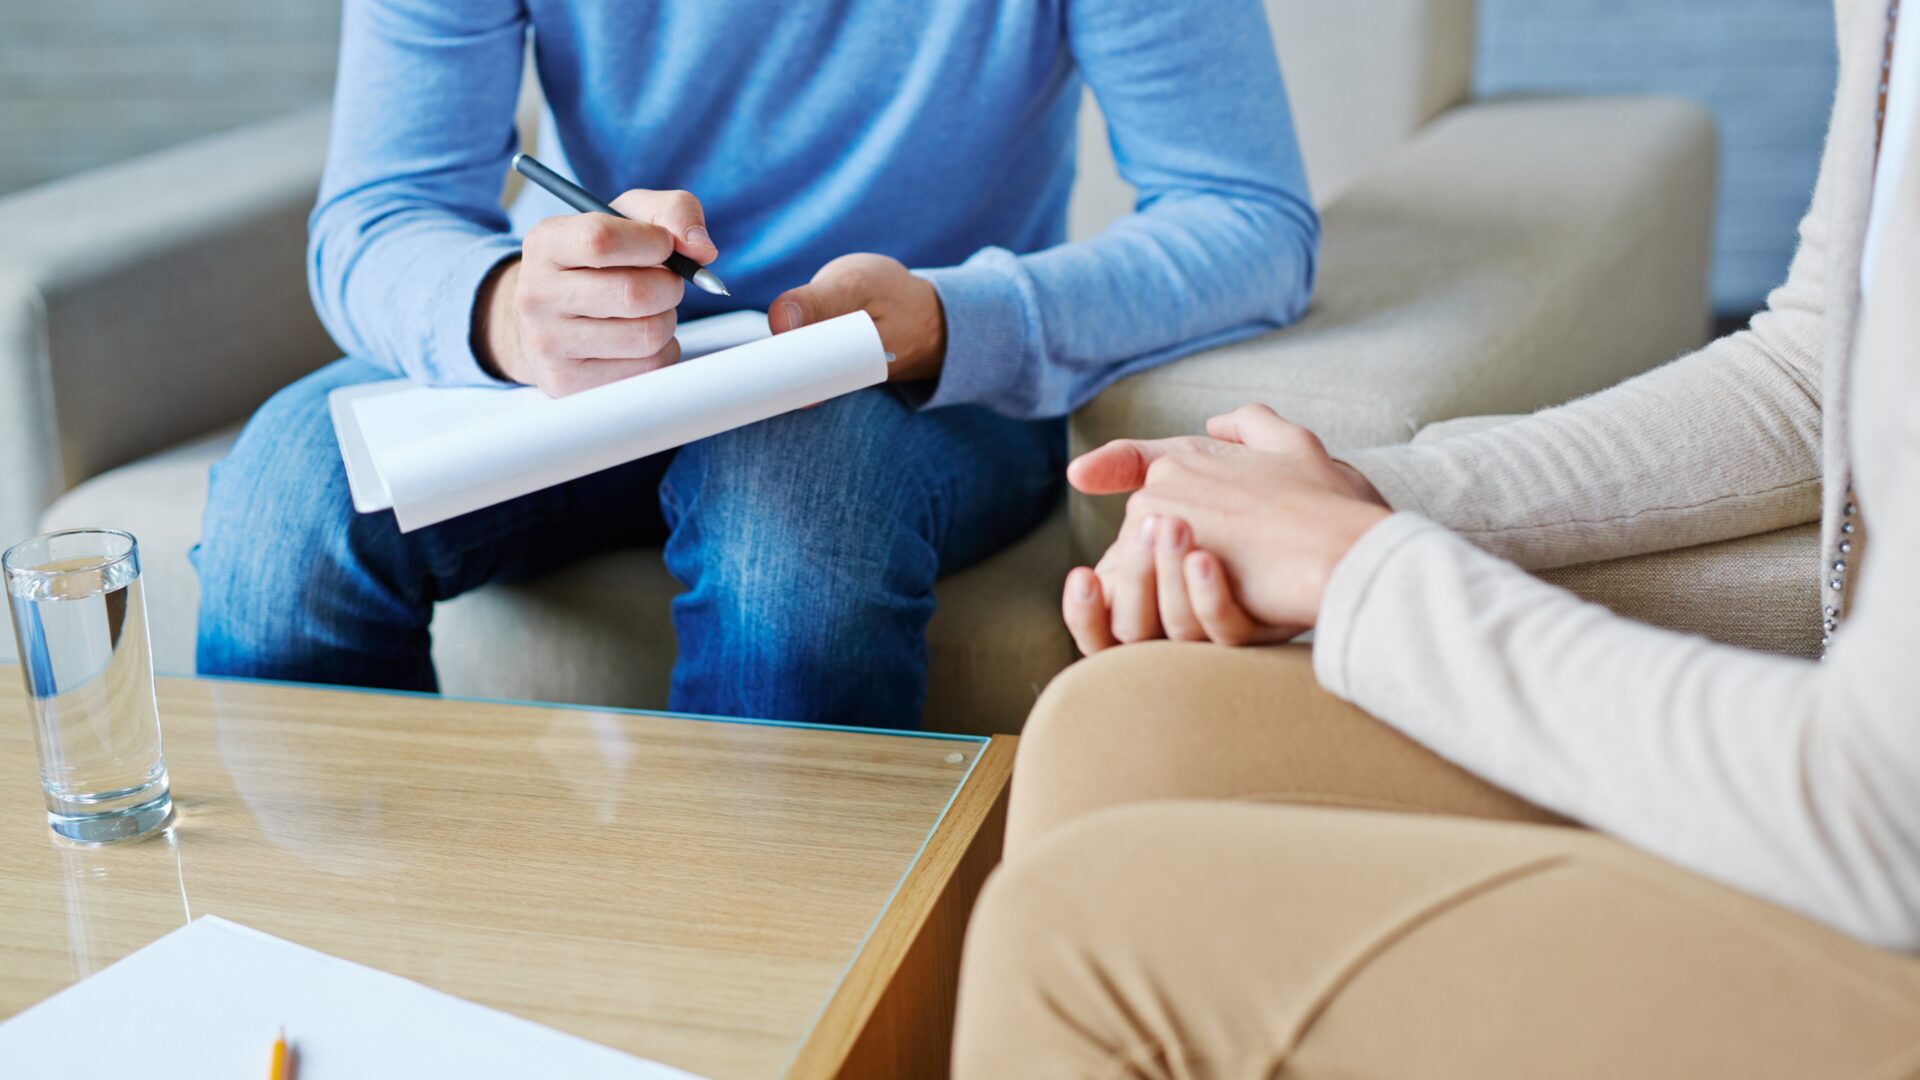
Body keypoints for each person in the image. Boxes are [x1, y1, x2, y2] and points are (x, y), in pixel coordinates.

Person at [954, 0, 1920, 1073]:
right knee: (1122, 721)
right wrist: (1352, 498)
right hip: (1862, 714)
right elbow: (1816, 370)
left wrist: (1358, 571)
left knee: (1082, 945)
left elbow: (1882, 815)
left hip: (1877, 836)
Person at [189, 0, 1318, 728]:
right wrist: (507, 312)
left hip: (924, 376)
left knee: (795, 498)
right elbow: (379, 216)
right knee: (293, 487)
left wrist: (943, 319)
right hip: (599, 373)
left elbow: (1247, 216)